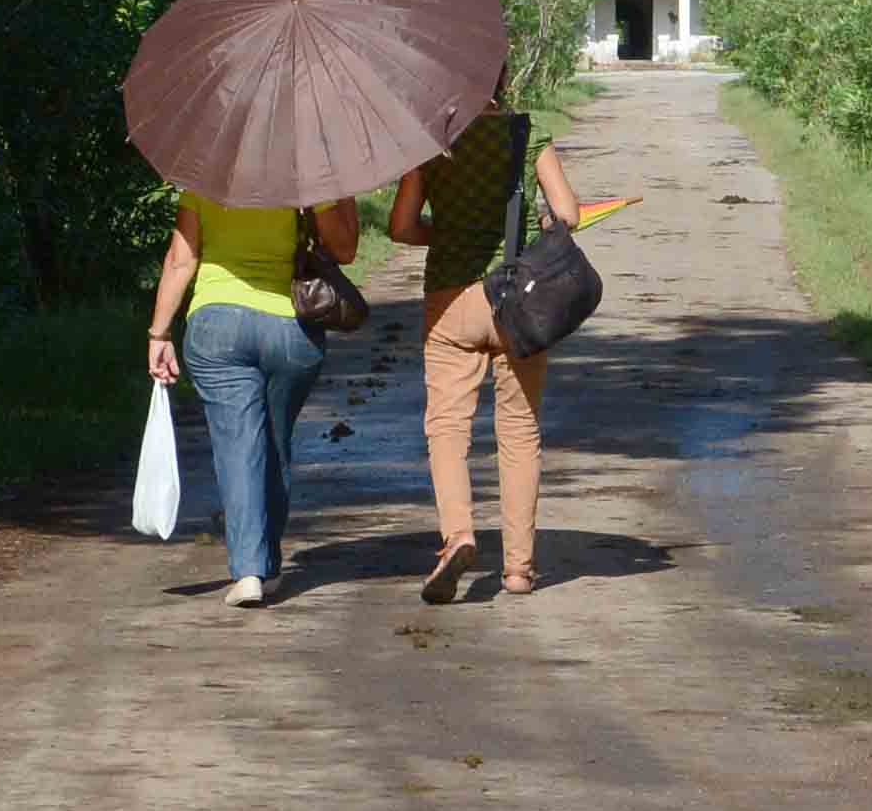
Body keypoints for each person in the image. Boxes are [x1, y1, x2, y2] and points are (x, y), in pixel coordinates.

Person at [388, 99, 586, 604]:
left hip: (450, 300)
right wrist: (536, 225)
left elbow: (402, 227)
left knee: (448, 424)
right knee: (520, 429)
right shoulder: (525, 130)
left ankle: (459, 535)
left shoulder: (428, 137)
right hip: (517, 300)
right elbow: (568, 214)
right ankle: (519, 569)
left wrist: (447, 232)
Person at [148, 189, 362, 607]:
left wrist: (159, 333)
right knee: (273, 441)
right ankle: (269, 565)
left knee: (238, 446)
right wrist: (340, 192)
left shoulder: (207, 177)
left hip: (217, 327)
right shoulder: (306, 178)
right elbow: (346, 249)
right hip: (290, 332)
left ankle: (249, 570)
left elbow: (181, 258)